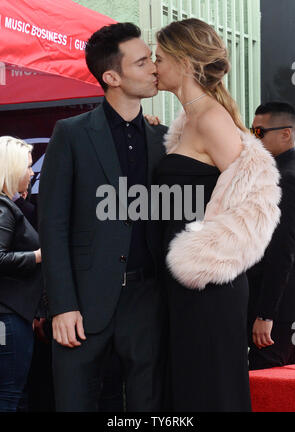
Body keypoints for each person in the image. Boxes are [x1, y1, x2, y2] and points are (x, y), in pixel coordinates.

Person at [38, 22, 167, 412]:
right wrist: (61, 305)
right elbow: (53, 224)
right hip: (83, 305)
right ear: (111, 76)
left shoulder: (164, 139)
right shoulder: (72, 133)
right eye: (143, 62)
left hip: (148, 300)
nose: (154, 69)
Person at [154, 18, 281, 411]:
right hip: (185, 286)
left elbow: (258, 204)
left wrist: (200, 259)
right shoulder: (189, 121)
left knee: (209, 393)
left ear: (185, 61)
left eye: (159, 58)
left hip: (209, 287)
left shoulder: (210, 118)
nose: (153, 66)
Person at [247, 102, 295, 369]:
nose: (253, 138)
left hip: (279, 311)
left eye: (259, 132)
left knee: (268, 388)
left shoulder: (286, 178)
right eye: (251, 130)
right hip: (286, 305)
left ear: (285, 134)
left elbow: (282, 251)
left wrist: (265, 314)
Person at [0, 136, 43, 412]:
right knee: (9, 396)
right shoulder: (3, 208)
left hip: (13, 315)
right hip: (8, 316)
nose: (32, 173)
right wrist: (40, 255)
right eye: (27, 167)